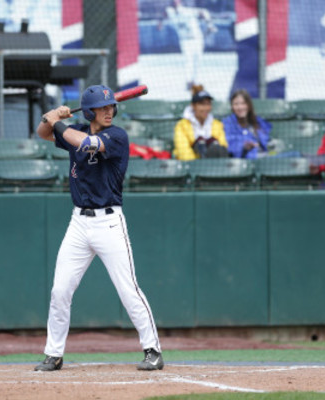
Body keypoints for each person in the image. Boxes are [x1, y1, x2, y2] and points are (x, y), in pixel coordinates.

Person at [35, 85, 163, 372]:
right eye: (102, 107)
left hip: (109, 222)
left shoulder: (116, 136)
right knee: (60, 291)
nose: (109, 111)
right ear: (90, 110)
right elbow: (43, 133)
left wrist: (58, 122)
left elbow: (85, 144)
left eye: (110, 106)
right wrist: (51, 118)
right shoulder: (76, 128)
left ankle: (153, 350)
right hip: (78, 223)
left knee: (128, 289)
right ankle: (53, 354)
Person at [165, 0, 217, 90]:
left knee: (198, 61)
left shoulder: (187, 11)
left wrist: (209, 24)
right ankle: (189, 82)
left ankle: (195, 82)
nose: (174, 2)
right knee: (188, 61)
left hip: (197, 39)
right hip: (185, 41)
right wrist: (160, 22)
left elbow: (204, 12)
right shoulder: (170, 11)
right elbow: (164, 13)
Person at [173, 85, 228, 160]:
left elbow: (223, 147)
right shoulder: (182, 125)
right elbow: (183, 152)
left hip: (214, 166)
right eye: (202, 104)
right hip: (190, 168)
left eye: (208, 104)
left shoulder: (217, 124)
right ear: (193, 106)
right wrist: (200, 165)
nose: (206, 108)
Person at [223, 89, 272, 159]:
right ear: (232, 107)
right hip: (247, 159)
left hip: (266, 155)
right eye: (236, 104)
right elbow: (229, 146)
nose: (240, 107)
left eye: (243, 103)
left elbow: (266, 139)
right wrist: (244, 146)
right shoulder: (227, 123)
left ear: (248, 105)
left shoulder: (258, 121)